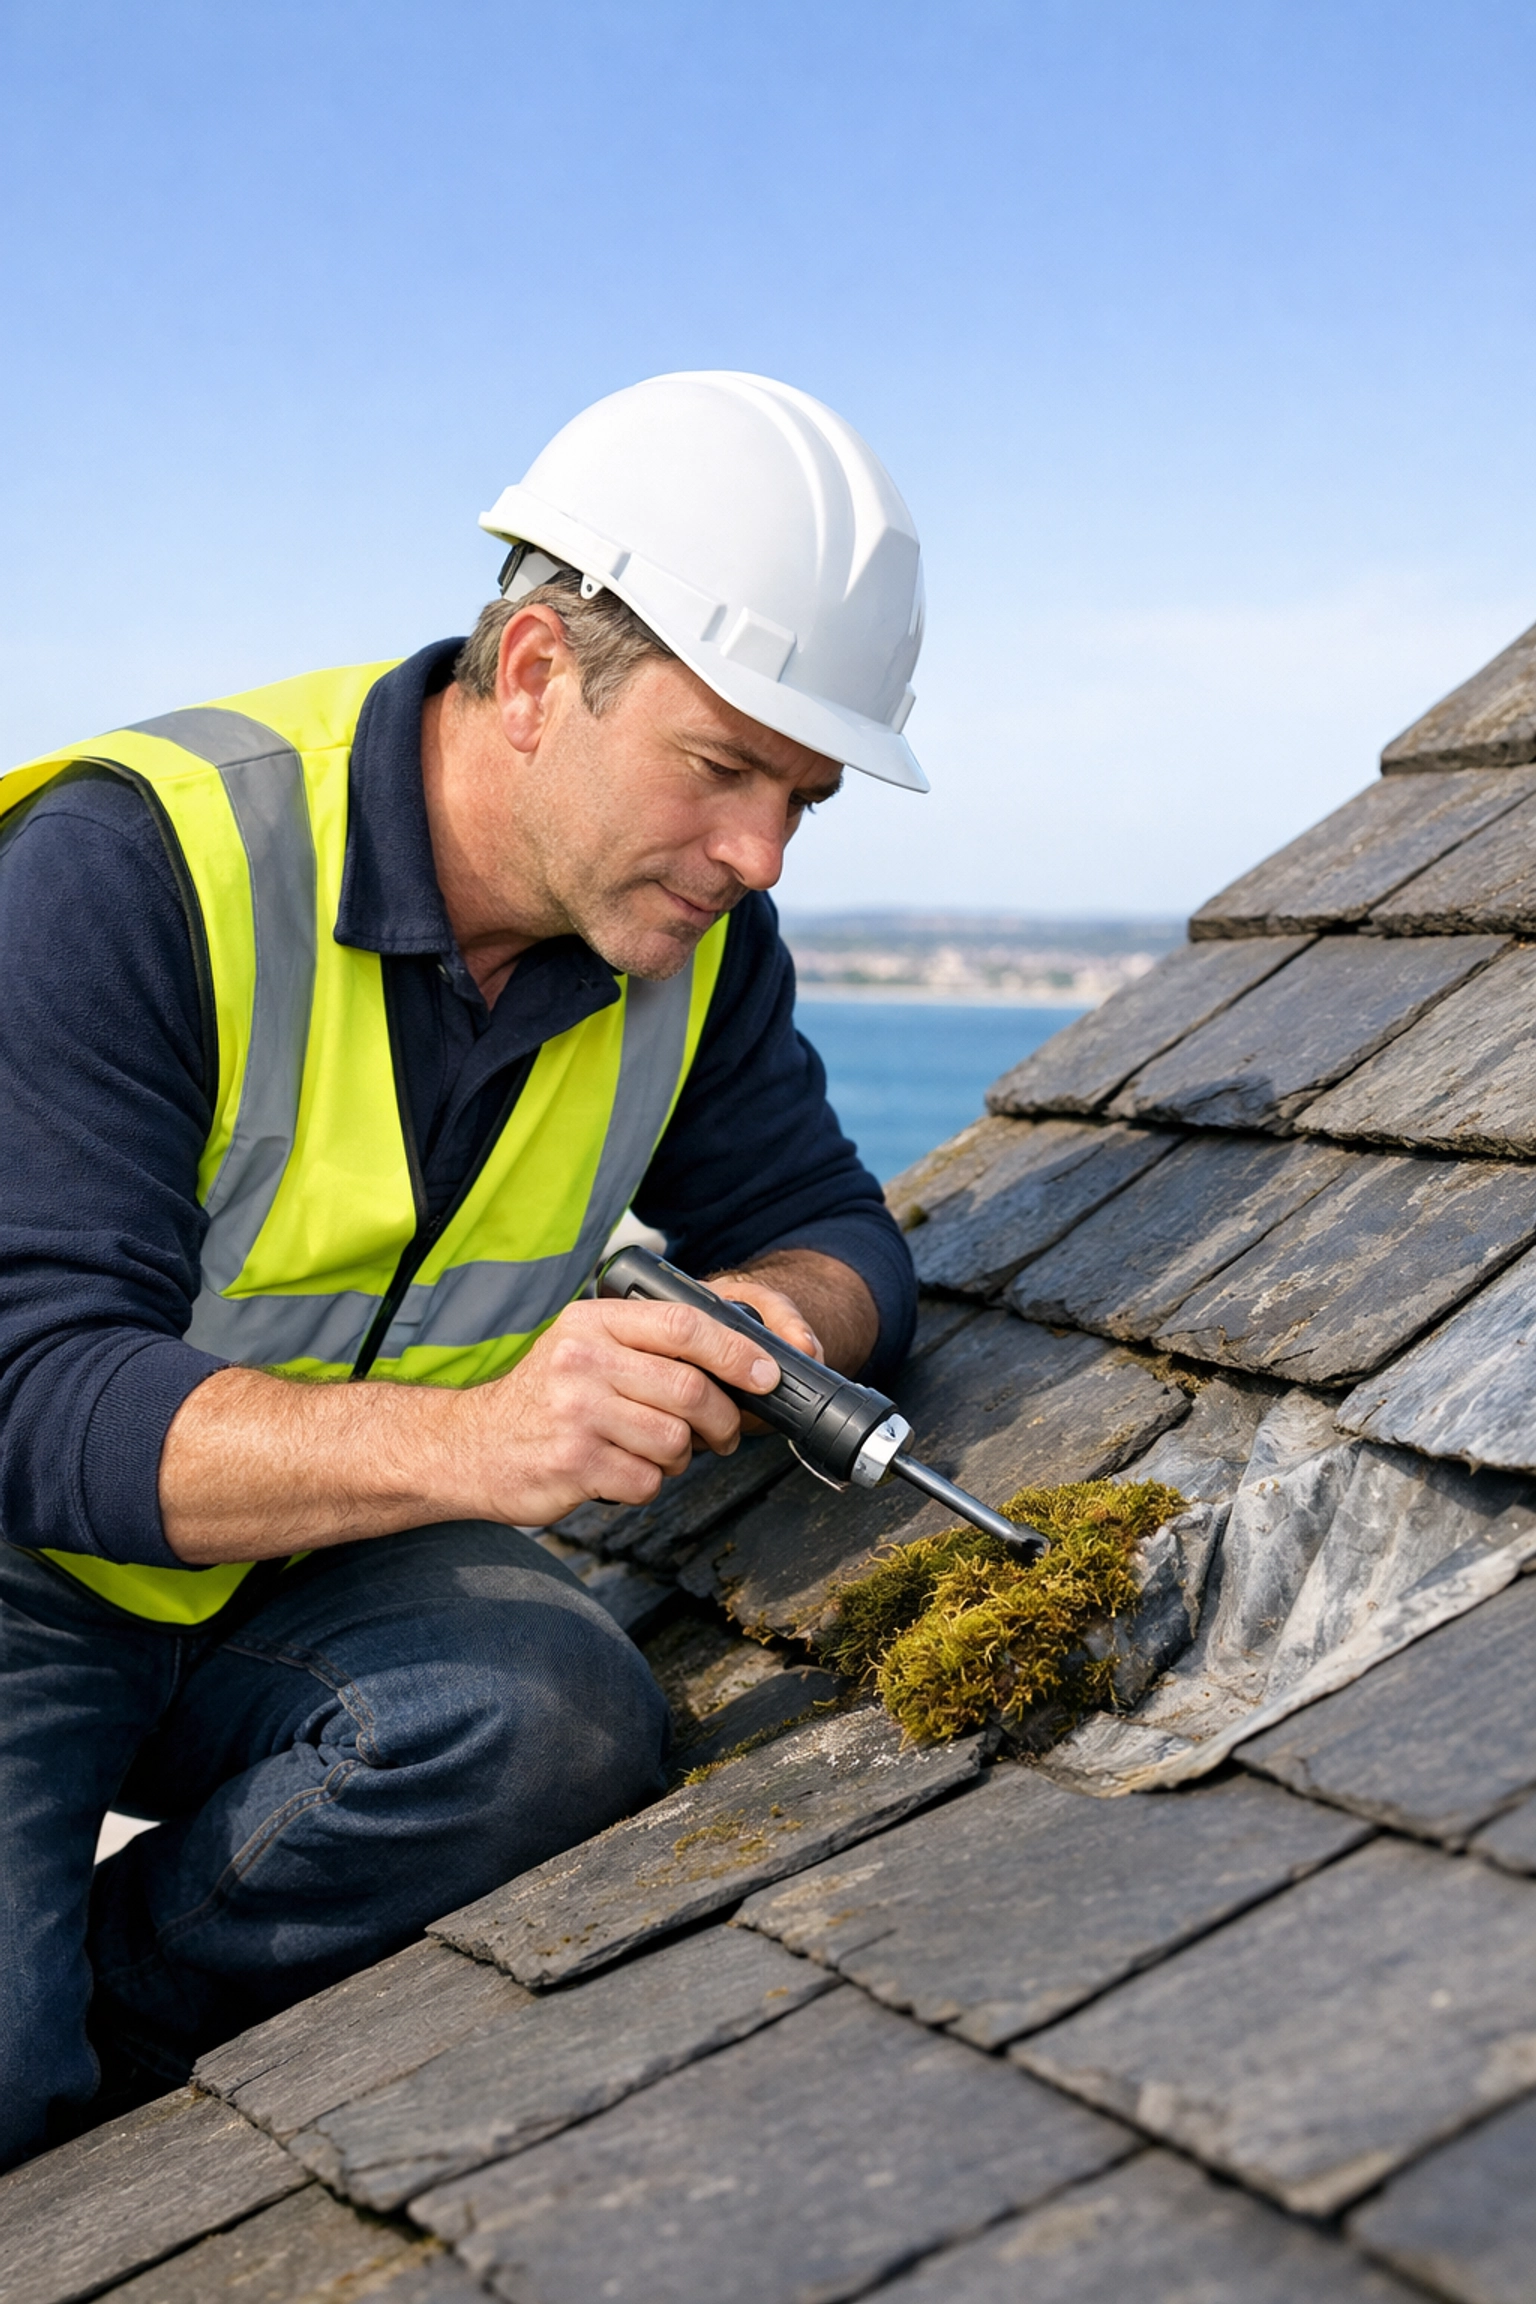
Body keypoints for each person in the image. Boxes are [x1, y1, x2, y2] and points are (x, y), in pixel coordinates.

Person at [0, 371, 928, 2167]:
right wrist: (483, 1449)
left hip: (290, 1560)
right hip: (22, 1550)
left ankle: (76, 2083)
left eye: (802, 797)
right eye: (723, 766)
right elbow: (36, 1394)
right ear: (528, 677)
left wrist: (767, 1322)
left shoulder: (696, 945)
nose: (759, 855)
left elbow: (846, 1237)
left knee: (561, 1723)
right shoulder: (132, 869)